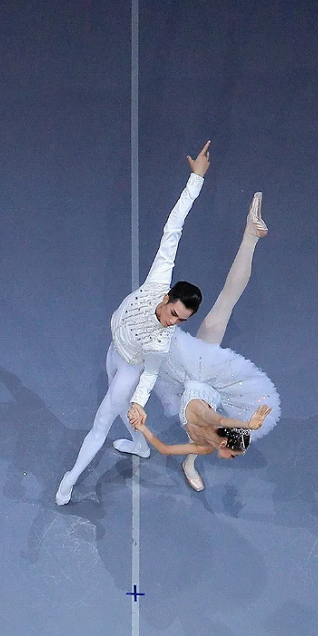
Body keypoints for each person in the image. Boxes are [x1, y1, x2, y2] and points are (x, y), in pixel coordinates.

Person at [55, 141, 211, 505]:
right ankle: (140, 447)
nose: (173, 323)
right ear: (167, 297)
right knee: (117, 400)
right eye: (174, 314)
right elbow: (173, 228)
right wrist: (196, 180)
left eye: (182, 321)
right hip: (114, 351)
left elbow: (150, 374)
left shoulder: (161, 341)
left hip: (131, 368)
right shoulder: (159, 278)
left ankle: (69, 479)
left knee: (102, 422)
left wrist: (140, 402)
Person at [129, 192, 281, 490]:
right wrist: (247, 425)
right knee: (224, 306)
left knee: (196, 446)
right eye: (233, 454)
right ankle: (250, 237)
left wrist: (143, 427)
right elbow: (220, 420)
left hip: (195, 399)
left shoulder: (208, 446)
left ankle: (189, 465)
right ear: (225, 443)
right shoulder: (210, 418)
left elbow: (164, 449)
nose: (232, 459)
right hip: (199, 371)